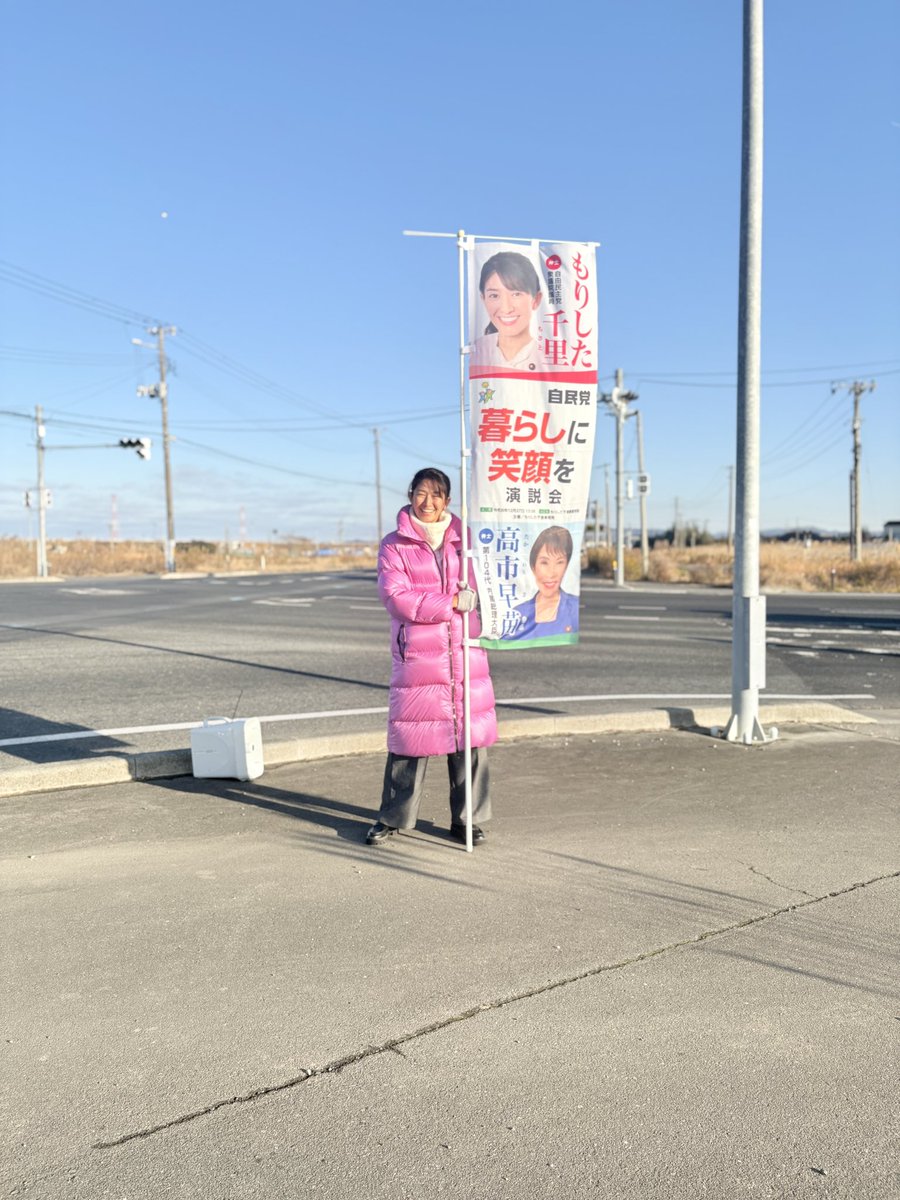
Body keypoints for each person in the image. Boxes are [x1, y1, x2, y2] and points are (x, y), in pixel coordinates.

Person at [367, 468, 498, 847]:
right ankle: (392, 817)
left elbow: (488, 586)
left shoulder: (466, 540)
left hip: (465, 651)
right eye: (422, 493)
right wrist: (451, 603)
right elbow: (396, 597)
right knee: (411, 738)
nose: (429, 502)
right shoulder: (395, 544)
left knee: (469, 740)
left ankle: (466, 820)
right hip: (420, 656)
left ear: (448, 500)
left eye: (437, 494)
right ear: (410, 495)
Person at [470, 251, 546, 373]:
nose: (506, 309)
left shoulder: (552, 362)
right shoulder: (476, 350)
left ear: (536, 299)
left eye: (516, 294)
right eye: (494, 295)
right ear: (483, 299)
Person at [509, 526, 579, 640]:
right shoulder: (518, 613)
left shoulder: (575, 608)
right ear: (533, 566)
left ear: (566, 566)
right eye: (544, 562)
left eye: (559, 562)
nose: (551, 573)